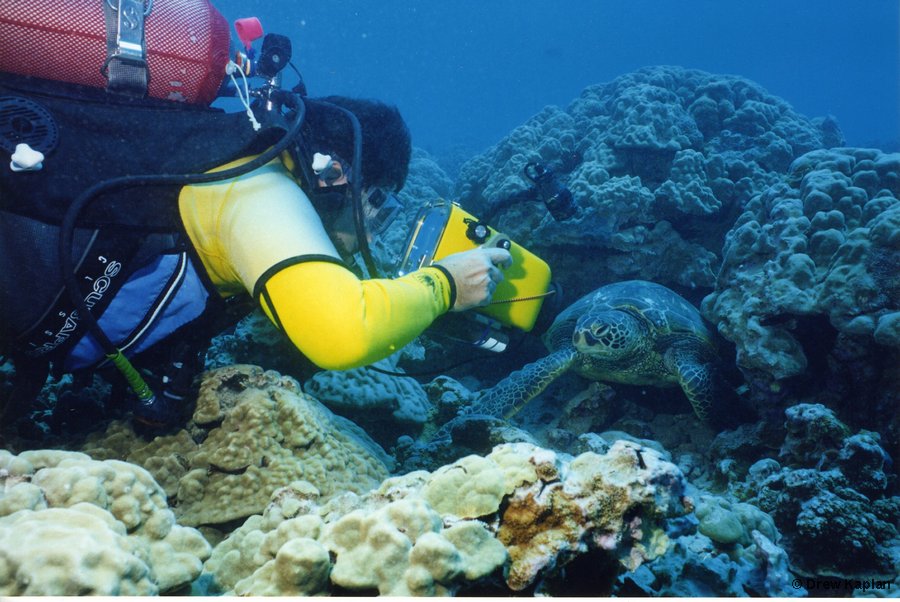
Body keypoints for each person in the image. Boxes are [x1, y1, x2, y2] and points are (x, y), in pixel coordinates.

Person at [0, 85, 512, 431]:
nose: (372, 231)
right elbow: (342, 332)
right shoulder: (257, 192)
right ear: (337, 175)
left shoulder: (236, 175)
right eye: (378, 204)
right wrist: (444, 285)